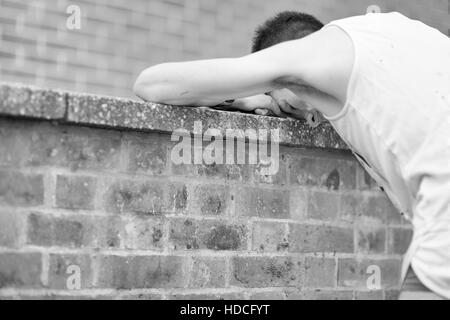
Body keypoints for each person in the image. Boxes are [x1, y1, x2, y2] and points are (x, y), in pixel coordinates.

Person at [134, 11, 450, 299]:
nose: (309, 120)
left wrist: (244, 98)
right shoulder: (401, 33)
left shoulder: (307, 56)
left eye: (285, 105)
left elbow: (152, 83)